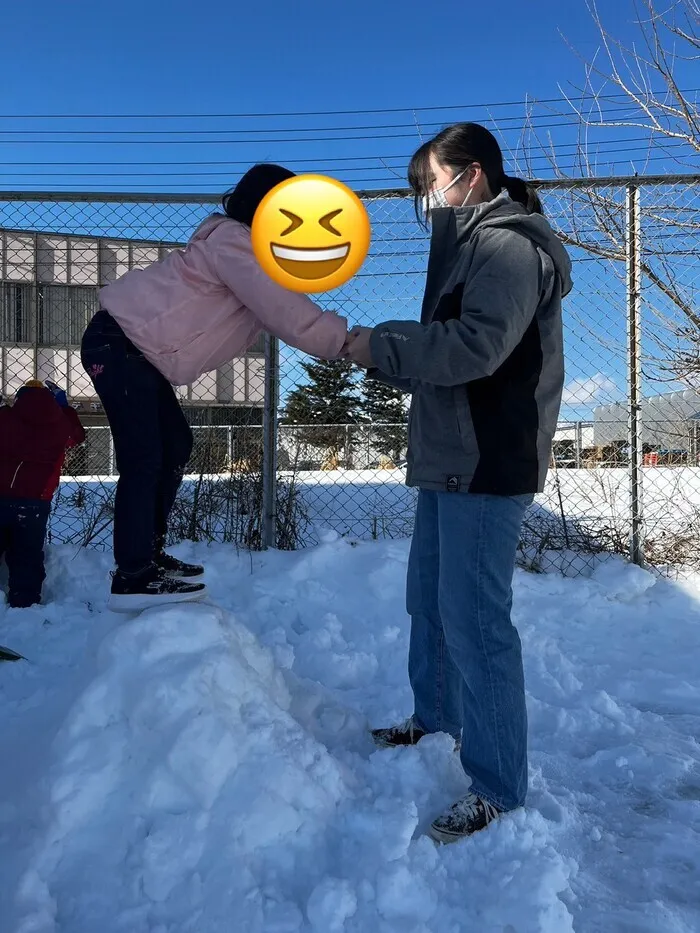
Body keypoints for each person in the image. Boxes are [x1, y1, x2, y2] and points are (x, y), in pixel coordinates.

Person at [344, 123, 573, 843]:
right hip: (450, 457)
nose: (425, 198)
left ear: (470, 177)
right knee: (431, 600)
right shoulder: (467, 247)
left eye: (430, 183)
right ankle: (435, 714)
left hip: (487, 461)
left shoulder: (508, 246)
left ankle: (499, 785)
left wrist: (378, 345)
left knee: (476, 620)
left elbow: (475, 347)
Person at [81, 163, 348, 613]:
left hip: (135, 351)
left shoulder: (252, 257)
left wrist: (333, 337)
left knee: (174, 445)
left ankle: (147, 556)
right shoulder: (233, 243)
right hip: (119, 343)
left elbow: (280, 309)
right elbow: (283, 310)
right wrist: (344, 340)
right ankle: (133, 574)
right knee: (145, 456)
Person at [0, 379, 86, 609]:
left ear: (18, 398)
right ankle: (25, 602)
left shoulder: (5, 418)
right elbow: (77, 436)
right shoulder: (60, 424)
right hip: (35, 502)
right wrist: (65, 407)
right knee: (27, 555)